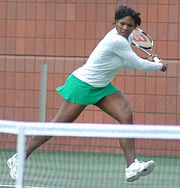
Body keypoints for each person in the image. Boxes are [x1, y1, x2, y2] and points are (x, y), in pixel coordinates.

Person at [7, 5, 167, 182]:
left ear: (135, 27)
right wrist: (159, 65)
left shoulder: (126, 39)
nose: (124, 28)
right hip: (82, 85)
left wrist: (148, 62)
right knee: (57, 126)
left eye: (129, 25)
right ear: (115, 22)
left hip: (102, 87)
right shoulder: (117, 40)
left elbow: (124, 62)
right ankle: (18, 158)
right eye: (121, 24)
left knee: (125, 115)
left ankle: (131, 166)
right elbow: (138, 65)